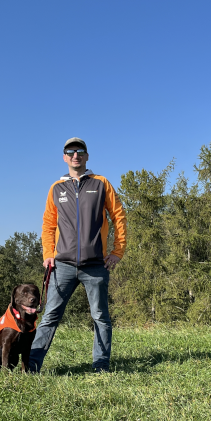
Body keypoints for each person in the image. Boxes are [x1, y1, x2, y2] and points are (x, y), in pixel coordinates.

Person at [29, 137, 126, 373]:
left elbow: (119, 216)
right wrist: (48, 253)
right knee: (50, 316)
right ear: (64, 157)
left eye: (80, 151)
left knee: (100, 317)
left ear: (87, 156)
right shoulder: (56, 188)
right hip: (62, 265)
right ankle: (31, 365)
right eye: (70, 151)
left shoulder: (101, 183)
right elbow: (48, 224)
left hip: (95, 265)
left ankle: (101, 366)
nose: (75, 155)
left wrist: (117, 251)